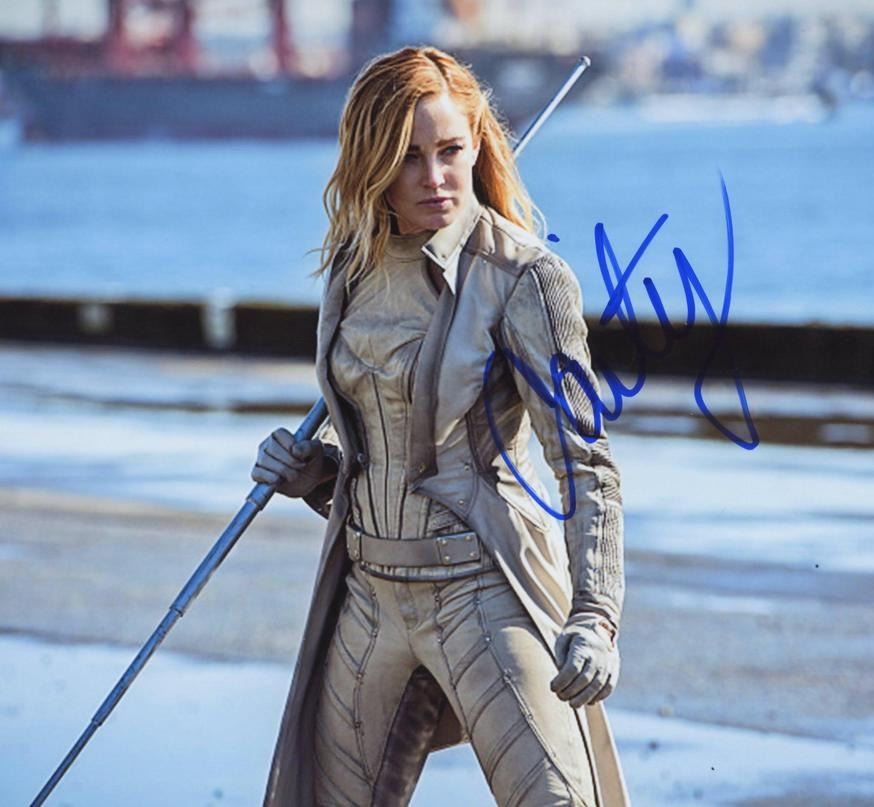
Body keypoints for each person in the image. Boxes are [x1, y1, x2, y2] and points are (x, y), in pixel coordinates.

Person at [252, 45, 627, 807]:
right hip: (369, 596)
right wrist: (316, 474)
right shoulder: (352, 271)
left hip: (483, 592)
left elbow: (586, 464)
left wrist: (595, 617)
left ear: (478, 147)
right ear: (371, 163)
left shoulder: (524, 278)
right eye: (408, 156)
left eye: (451, 151)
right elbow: (383, 454)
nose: (435, 178)